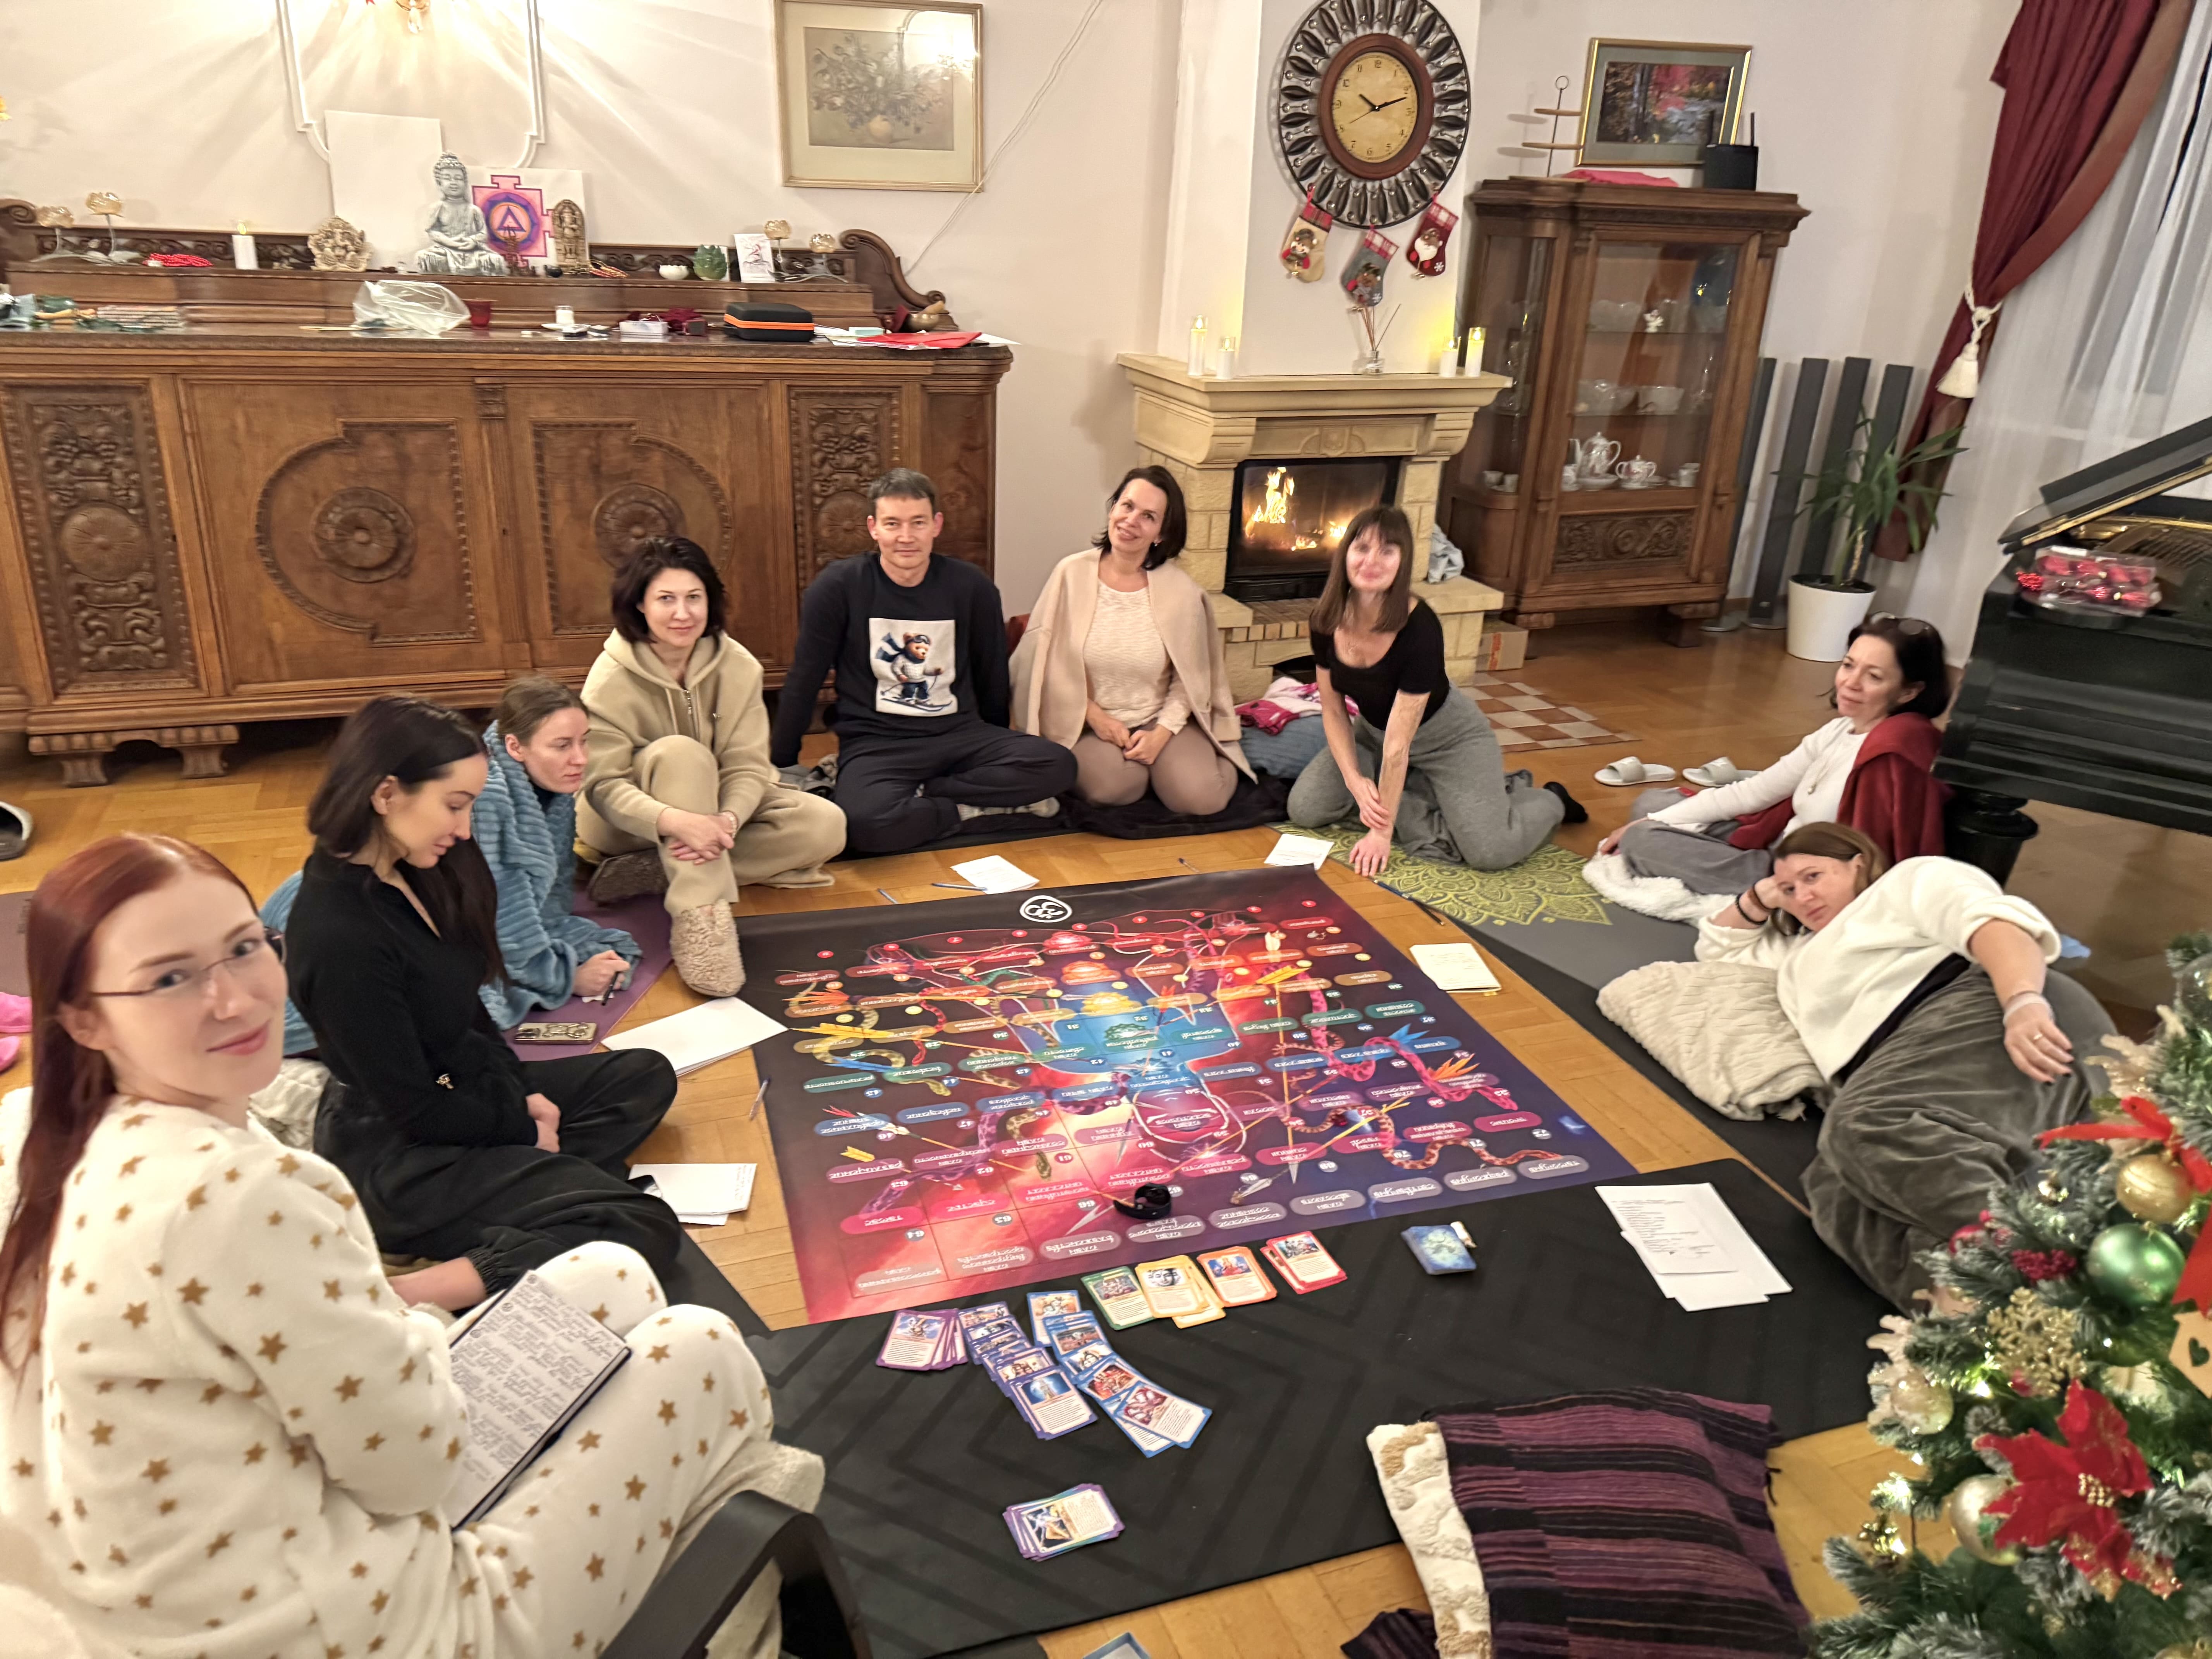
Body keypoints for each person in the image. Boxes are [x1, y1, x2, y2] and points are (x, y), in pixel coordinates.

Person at [0, 832, 821, 1659]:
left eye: (245, 948)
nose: (235, 999)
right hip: (354, 1621)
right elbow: (413, 1471)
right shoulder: (247, 1192)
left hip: (186, 1571)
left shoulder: (35, 1131)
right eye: (171, 978)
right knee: (701, 1345)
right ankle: (719, 1603)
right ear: (83, 1016)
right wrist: (410, 1334)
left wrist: (400, 1331)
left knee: (611, 1271)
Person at [282, 695, 685, 1311]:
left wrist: (521, 1095)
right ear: (386, 794)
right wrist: (520, 1126)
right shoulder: (340, 936)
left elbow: (466, 1013)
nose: (465, 829)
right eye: (455, 805)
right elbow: (413, 1107)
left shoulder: (413, 866)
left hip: (461, 1092)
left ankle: (531, 1191)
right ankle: (415, 1288)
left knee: (644, 1076)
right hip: (403, 1155)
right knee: (641, 1223)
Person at [1695, 823, 2112, 1306]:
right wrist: (1764, 895)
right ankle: (1977, 1308)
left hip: (1976, 1005)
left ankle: (2038, 1270)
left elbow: (1992, 924)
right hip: (1906, 1063)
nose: (1803, 897)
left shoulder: (1905, 883)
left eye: (1814, 877)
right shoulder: (1796, 958)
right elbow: (1719, 947)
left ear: (1858, 864)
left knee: (1869, 1124)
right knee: (1835, 1190)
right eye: (1789, 890)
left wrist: (2022, 1003)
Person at [262, 675, 641, 1042]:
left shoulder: (551, 793)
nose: (580, 759)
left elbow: (545, 901)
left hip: (384, 912)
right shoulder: (486, 797)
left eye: (585, 742)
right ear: (515, 747)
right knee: (456, 1006)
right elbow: (500, 914)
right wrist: (566, 977)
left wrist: (558, 946)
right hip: (347, 921)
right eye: (562, 746)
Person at [578, 538, 846, 997]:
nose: (683, 613)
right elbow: (603, 786)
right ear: (640, 604)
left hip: (713, 812)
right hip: (626, 823)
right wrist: (676, 822)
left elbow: (746, 765)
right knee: (681, 754)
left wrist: (727, 820)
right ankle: (702, 918)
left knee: (827, 825)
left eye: (694, 598)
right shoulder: (610, 678)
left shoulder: (739, 666)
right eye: (666, 599)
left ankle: (656, 870)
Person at [770, 467, 1077, 855]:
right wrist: (783, 762)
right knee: (863, 825)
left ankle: (925, 797)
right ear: (873, 528)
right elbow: (805, 678)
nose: (906, 537)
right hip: (878, 743)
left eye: (918, 523)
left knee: (1059, 766)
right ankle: (969, 809)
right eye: (893, 524)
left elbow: (992, 674)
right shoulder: (838, 587)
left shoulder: (972, 586)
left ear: (936, 525)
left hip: (960, 734)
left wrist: (996, 754)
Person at [1286, 504, 1575, 874]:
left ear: (1403, 562)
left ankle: (1551, 799)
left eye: (1387, 551)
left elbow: (1399, 746)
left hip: (1449, 741)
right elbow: (1332, 709)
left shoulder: (1420, 628)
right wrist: (1355, 781)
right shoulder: (1326, 619)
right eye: (1362, 548)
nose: (1372, 561)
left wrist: (1381, 832)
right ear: (1345, 555)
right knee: (1306, 809)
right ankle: (1425, 793)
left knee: (1491, 853)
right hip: (1373, 735)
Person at [1600, 614, 1953, 893]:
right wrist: (1652, 821)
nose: (1850, 682)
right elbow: (1755, 792)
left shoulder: (1891, 756)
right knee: (1652, 805)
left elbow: (1874, 863)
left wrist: (1644, 831)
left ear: (1908, 692)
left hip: (1796, 877)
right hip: (1779, 838)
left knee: (1641, 841)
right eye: (1848, 665)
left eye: (1873, 676)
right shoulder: (1839, 730)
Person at [1012, 465, 1250, 816]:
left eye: (1148, 516)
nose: (1131, 521)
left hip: (1158, 718)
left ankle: (1205, 757)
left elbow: (1190, 679)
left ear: (1161, 534)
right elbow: (1046, 664)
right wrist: (1097, 718)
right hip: (1084, 722)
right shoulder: (1070, 574)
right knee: (1114, 788)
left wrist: (1162, 733)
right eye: (1127, 506)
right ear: (1113, 509)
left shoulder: (1183, 593)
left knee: (1203, 800)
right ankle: (1155, 774)